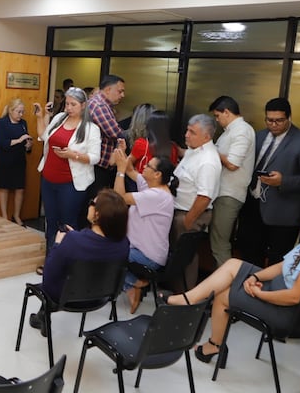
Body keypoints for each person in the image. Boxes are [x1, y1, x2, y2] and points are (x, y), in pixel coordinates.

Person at [161, 200, 300, 364]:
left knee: (223, 295)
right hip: (278, 291)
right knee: (234, 264)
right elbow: (281, 268)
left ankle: (213, 345)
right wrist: (255, 277)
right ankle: (189, 299)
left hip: (286, 314)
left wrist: (260, 294)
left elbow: (293, 297)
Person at [29, 188, 130, 334]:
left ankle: (43, 316)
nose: (88, 205)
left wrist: (58, 245)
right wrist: (74, 237)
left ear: (97, 214)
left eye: (92, 203)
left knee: (59, 272)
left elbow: (49, 275)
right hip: (101, 296)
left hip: (66, 297)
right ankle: (42, 317)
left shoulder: (74, 241)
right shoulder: (123, 244)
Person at [237, 97, 300, 267]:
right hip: (252, 204)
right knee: (249, 253)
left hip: (283, 211)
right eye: (269, 120)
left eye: (279, 121)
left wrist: (284, 181)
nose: (274, 125)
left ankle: (270, 292)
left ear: (289, 118)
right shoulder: (258, 136)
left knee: (277, 258)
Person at [33, 87, 101, 272]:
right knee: (51, 221)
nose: (69, 108)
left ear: (83, 105)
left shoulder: (90, 128)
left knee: (68, 223)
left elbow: (95, 157)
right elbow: (42, 136)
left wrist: (73, 155)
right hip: (49, 179)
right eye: (67, 103)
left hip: (71, 183)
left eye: (73, 104)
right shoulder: (58, 119)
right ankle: (50, 261)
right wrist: (41, 117)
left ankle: (68, 264)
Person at [112, 145, 178, 313]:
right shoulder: (151, 186)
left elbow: (119, 198)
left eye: (149, 166)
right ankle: (131, 284)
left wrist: (119, 170)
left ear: (157, 175)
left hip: (148, 256)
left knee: (105, 251)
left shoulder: (157, 196)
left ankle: (133, 284)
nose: (145, 166)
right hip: (139, 249)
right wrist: (123, 155)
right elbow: (131, 170)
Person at [172, 113, 222, 289]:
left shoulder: (208, 160)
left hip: (190, 214)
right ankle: (177, 293)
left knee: (187, 257)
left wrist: (188, 220)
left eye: (192, 132)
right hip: (180, 210)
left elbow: (204, 196)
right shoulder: (194, 150)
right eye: (187, 130)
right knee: (179, 256)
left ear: (206, 137)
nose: (186, 134)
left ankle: (186, 296)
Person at [208, 95, 255, 267]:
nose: (217, 120)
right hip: (223, 193)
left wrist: (209, 149)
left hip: (229, 194)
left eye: (217, 116)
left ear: (226, 112)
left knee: (220, 244)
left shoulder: (242, 130)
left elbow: (233, 164)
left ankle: (226, 288)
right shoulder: (230, 131)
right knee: (216, 242)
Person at [0, 98, 33, 225]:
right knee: (4, 188)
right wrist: (19, 140)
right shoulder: (1, 122)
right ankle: (4, 216)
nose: (21, 115)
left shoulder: (23, 123)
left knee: (19, 189)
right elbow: (0, 141)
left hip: (19, 160)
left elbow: (25, 140)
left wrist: (28, 145)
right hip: (5, 160)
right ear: (11, 111)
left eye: (22, 112)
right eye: (19, 112)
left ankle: (16, 216)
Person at [87, 75, 126, 193]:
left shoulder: (104, 104)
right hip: (97, 166)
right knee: (94, 200)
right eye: (120, 91)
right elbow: (115, 133)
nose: (122, 95)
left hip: (97, 163)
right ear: (108, 89)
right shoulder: (100, 105)